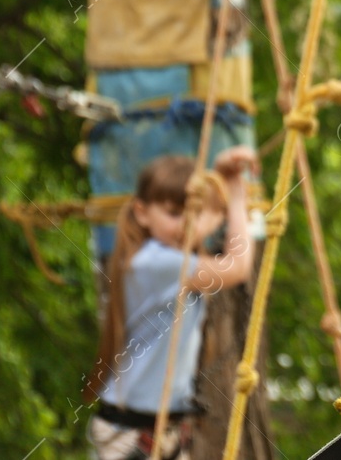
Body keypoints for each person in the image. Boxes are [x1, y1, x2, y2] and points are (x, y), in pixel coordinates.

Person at [84, 146, 259, 460]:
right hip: (132, 431)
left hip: (163, 427)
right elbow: (238, 266)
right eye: (174, 214)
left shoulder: (173, 261)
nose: (185, 224)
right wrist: (234, 194)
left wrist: (221, 177)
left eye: (192, 214)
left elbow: (210, 217)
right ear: (142, 212)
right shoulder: (157, 264)